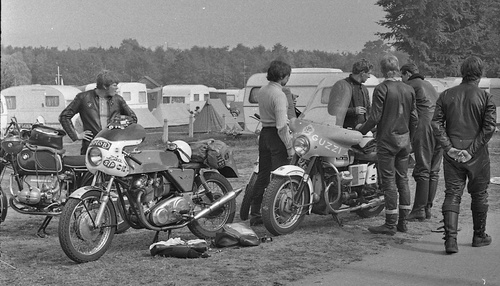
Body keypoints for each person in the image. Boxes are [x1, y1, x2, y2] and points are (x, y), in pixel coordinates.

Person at [431, 56, 496, 254]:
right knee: (479, 194)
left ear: (462, 72)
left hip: (453, 153)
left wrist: (449, 147)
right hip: (476, 155)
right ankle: (479, 235)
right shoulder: (485, 97)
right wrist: (470, 151)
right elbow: (489, 128)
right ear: (480, 73)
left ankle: (450, 241)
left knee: (452, 194)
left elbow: (436, 123)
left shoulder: (446, 94)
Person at [356, 55, 418, 235]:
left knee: (389, 182)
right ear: (398, 68)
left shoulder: (382, 88)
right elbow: (414, 118)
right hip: (404, 141)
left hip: (387, 142)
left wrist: (360, 130)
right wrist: (411, 140)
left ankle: (390, 223)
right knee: (403, 180)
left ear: (383, 71)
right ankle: (403, 222)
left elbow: (375, 117)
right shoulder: (409, 89)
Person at [250, 60, 294, 226]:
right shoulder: (279, 94)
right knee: (280, 178)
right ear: (282, 76)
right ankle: (277, 213)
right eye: (288, 76)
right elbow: (282, 125)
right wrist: (289, 147)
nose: (288, 79)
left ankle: (255, 213)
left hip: (265, 134)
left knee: (262, 175)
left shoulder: (262, 90)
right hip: (276, 137)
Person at [400, 63, 443, 221]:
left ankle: (419, 209)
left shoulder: (411, 85)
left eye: (402, 76)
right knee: (434, 170)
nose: (401, 80)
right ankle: (427, 208)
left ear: (408, 74)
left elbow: (408, 112)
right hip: (440, 127)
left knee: (423, 169)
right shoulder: (429, 85)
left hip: (424, 127)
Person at [59, 70, 137, 155]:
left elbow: (133, 119)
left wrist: (119, 125)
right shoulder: (83, 98)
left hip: (114, 147)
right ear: (104, 86)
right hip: (91, 148)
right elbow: (64, 116)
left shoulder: (118, 100)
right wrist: (76, 135)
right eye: (114, 85)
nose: (117, 88)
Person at [328, 58, 373, 129]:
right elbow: (332, 109)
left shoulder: (364, 89)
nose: (369, 76)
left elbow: (369, 111)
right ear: (362, 73)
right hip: (345, 132)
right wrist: (353, 111)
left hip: (363, 132)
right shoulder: (341, 85)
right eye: (369, 73)